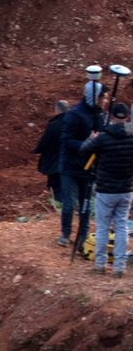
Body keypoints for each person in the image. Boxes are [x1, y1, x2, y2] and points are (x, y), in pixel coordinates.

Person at [80, 101, 133, 277]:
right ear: (127, 117)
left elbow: (83, 151)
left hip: (105, 189)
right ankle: (119, 267)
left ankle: (100, 264)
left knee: (102, 227)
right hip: (126, 189)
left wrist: (91, 138)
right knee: (121, 227)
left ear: (110, 116)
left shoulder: (103, 138)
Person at [59, 79, 105, 247]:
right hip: (70, 165)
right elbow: (65, 140)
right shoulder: (74, 115)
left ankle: (83, 236)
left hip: (89, 166)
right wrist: (86, 143)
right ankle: (65, 233)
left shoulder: (99, 116)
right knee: (70, 203)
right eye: (102, 97)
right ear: (95, 97)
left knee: (86, 203)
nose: (105, 101)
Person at [33, 100, 70, 210]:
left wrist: (37, 150)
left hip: (54, 161)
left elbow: (45, 141)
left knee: (55, 184)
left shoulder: (54, 124)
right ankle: (69, 205)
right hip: (71, 161)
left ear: (57, 110)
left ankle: (59, 206)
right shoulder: (74, 122)